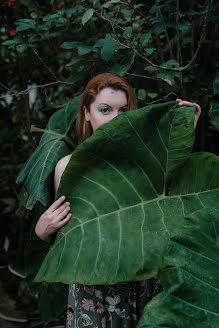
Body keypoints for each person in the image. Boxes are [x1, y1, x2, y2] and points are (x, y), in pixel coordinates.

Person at [34, 72, 201, 328]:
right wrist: (43, 231)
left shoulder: (145, 163)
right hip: (94, 290)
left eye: (123, 110)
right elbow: (71, 238)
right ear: (87, 114)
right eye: (105, 110)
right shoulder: (69, 167)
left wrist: (186, 126)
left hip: (142, 282)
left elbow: (171, 202)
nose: (115, 119)